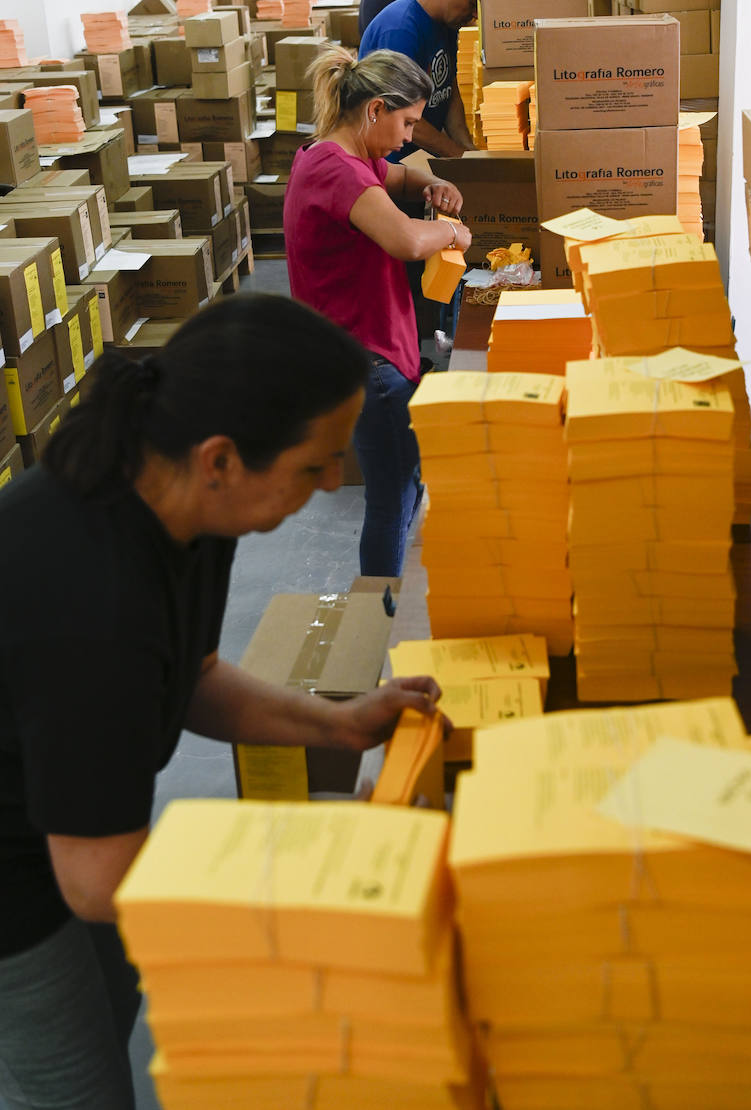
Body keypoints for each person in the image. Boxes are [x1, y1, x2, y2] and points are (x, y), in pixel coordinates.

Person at [0, 293, 448, 1110]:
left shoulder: (185, 510)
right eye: (316, 465)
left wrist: (340, 723)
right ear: (220, 459)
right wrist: (313, 882)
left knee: (114, 996)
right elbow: (98, 880)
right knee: (72, 1085)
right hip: (14, 867)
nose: (335, 483)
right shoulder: (93, 599)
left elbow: (195, 674)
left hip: (64, 816)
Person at [283, 46, 473, 579]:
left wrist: (432, 184)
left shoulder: (337, 155)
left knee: (405, 483)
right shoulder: (335, 172)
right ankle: (381, 616)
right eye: (407, 121)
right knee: (392, 497)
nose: (411, 136)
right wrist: (454, 231)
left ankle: (387, 602)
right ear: (375, 111)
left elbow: (398, 178)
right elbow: (409, 240)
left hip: (369, 348)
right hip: (365, 361)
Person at [358, 0, 495, 161]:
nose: (475, 16)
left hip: (422, 157)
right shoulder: (400, 29)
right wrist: (457, 155)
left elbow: (449, 92)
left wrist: (468, 151)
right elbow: (402, 114)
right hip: (392, 163)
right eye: (472, 4)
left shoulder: (447, 22)